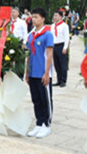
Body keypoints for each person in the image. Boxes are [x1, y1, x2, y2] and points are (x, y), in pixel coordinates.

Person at [25, 8, 55, 138]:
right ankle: (39, 122)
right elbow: (28, 55)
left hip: (43, 72)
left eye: (36, 17)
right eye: (33, 17)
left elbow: (49, 54)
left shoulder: (47, 34)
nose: (34, 19)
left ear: (43, 19)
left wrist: (47, 72)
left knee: (45, 100)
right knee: (35, 99)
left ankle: (46, 125)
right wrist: (27, 72)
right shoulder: (30, 35)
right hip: (32, 73)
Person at [51, 10, 70, 87]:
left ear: (61, 17)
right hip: (54, 45)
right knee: (56, 64)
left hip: (61, 45)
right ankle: (58, 80)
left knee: (63, 64)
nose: (54, 17)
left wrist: (65, 47)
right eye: (54, 15)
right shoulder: (53, 26)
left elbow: (66, 38)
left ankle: (63, 80)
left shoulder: (64, 26)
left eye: (56, 15)